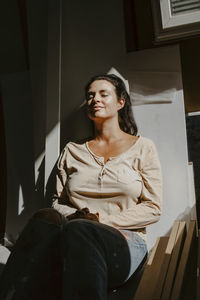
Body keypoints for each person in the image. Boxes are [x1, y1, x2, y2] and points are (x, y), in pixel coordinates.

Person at [0, 74, 162, 300]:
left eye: (103, 94)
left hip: (126, 241)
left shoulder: (143, 147)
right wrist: (78, 216)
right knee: (45, 216)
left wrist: (99, 221)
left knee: (81, 229)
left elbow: (153, 207)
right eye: (90, 96)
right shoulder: (72, 151)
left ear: (120, 102)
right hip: (73, 234)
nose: (95, 99)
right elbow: (57, 201)